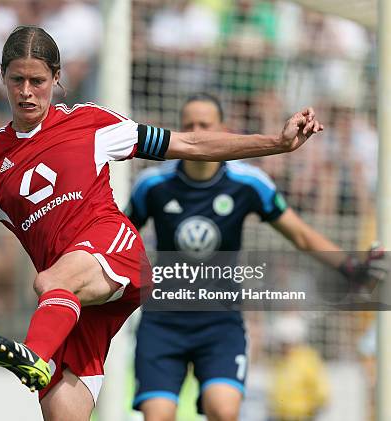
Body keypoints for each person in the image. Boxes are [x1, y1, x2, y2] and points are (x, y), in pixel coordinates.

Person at [0, 26, 323, 421]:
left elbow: (188, 142)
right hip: (74, 306)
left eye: (37, 81)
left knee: (49, 280)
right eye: (16, 80)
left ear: (56, 78)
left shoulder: (91, 124)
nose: (26, 92)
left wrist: (276, 143)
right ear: (2, 77)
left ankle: (34, 355)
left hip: (115, 254)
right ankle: (39, 356)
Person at [126, 93, 384, 421]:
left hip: (220, 322)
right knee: (158, 416)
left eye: (205, 124)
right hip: (163, 321)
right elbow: (118, 239)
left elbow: (301, 234)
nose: (197, 130)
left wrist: (350, 267)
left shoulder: (248, 182)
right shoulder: (152, 184)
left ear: (223, 128)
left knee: (224, 409)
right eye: (189, 124)